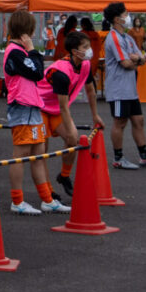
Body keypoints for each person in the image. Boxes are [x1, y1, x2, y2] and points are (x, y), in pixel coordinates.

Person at [1, 12, 69, 214]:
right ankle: (17, 201)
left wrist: (31, 51)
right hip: (21, 106)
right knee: (20, 155)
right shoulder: (14, 52)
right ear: (27, 30)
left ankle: (47, 199)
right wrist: (32, 50)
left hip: (33, 105)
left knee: (38, 153)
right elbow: (38, 72)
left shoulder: (21, 51)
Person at [102, 3, 146, 169]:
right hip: (118, 88)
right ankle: (118, 158)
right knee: (120, 122)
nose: (128, 17)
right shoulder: (113, 38)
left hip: (130, 88)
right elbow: (126, 63)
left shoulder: (127, 38)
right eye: (125, 14)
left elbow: (141, 58)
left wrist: (136, 58)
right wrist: (136, 59)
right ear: (117, 19)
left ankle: (144, 156)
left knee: (138, 120)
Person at [45, 18, 97, 198]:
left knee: (72, 140)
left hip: (56, 108)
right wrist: (70, 129)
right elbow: (63, 106)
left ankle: (64, 176)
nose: (89, 50)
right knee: (41, 152)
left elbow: (90, 91)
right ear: (75, 51)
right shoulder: (61, 71)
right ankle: (48, 192)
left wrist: (96, 116)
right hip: (40, 106)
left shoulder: (85, 64)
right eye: (85, 47)